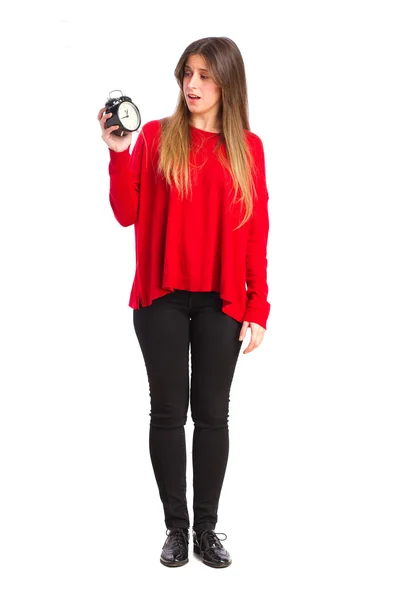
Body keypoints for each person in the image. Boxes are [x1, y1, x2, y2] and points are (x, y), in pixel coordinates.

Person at [97, 36, 270, 569]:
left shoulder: (247, 146)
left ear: (226, 83)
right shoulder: (154, 137)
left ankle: (208, 531)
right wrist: (119, 154)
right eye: (187, 74)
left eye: (204, 76)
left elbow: (256, 229)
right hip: (162, 299)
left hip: (223, 300)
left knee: (213, 415)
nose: (192, 85)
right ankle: (176, 529)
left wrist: (258, 306)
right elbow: (127, 213)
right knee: (169, 412)